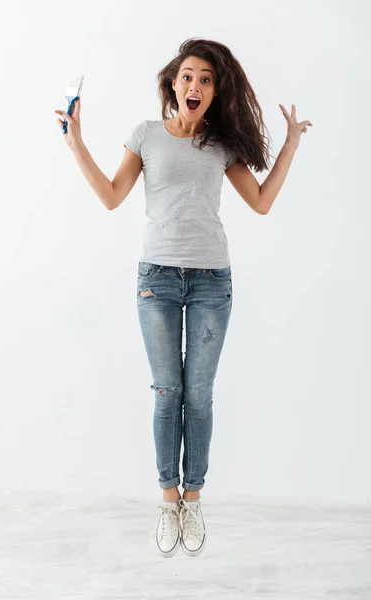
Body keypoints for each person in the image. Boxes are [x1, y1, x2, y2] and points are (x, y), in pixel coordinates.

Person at [55, 38, 313, 559]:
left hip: (213, 281)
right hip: (158, 280)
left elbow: (260, 203)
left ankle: (193, 497)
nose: (195, 86)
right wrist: (75, 142)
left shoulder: (220, 145)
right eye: (188, 76)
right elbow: (110, 196)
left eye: (207, 79)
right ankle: (167, 497)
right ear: (173, 83)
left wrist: (288, 147)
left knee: (199, 394)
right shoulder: (146, 135)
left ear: (216, 92)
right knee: (166, 391)